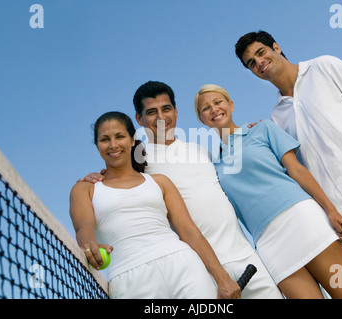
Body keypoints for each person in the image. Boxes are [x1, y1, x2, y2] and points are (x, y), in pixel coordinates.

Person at [235, 30, 342, 299]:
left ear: (276, 47)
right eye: (251, 63)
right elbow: (291, 168)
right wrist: (249, 134)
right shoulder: (275, 119)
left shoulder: (324, 66)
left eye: (260, 52)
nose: (258, 62)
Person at [82, 81, 284, 299]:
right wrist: (99, 177)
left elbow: (236, 160)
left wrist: (249, 131)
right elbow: (117, 181)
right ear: (139, 119)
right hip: (200, 270)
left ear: (176, 112)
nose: (161, 117)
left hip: (245, 256)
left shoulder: (201, 150)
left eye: (166, 109)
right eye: (151, 112)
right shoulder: (140, 166)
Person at [194, 84, 342, 299]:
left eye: (218, 102)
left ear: (231, 104)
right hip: (269, 244)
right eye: (206, 108)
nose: (214, 110)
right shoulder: (213, 165)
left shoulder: (263, 128)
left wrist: (330, 210)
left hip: (303, 221)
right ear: (201, 119)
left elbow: (297, 170)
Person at [69, 111, 241, 299]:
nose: (113, 145)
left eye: (120, 136)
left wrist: (222, 278)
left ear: (132, 139)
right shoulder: (85, 188)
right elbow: (83, 226)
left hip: (184, 266)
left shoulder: (160, 182)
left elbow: (190, 231)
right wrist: (89, 244)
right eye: (104, 139)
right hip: (128, 279)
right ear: (97, 145)